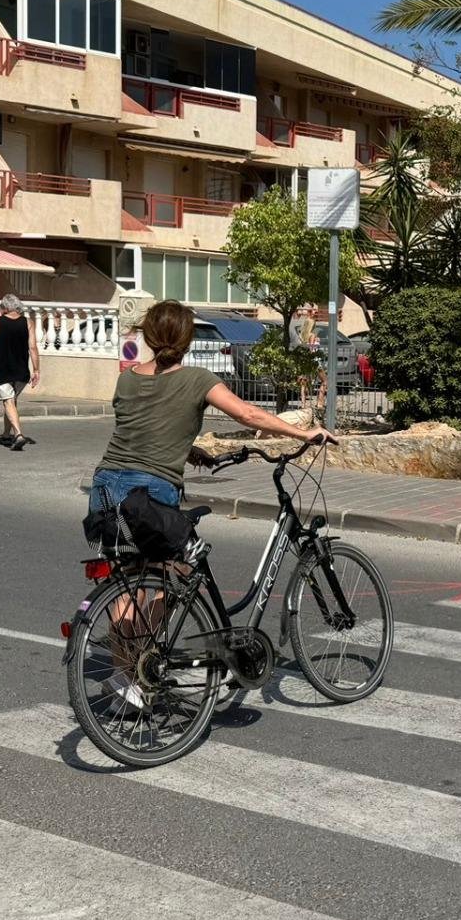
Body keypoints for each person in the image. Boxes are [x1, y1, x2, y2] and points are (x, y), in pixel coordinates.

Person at [90, 299, 331, 711]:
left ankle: (127, 681)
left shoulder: (126, 380)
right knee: (178, 573)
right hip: (150, 493)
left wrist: (188, 451)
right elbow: (248, 414)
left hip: (106, 489)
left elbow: (141, 431)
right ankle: (145, 663)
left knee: (126, 585)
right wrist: (303, 434)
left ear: (148, 337)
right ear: (187, 339)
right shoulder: (198, 378)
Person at [0, 293, 39, 451]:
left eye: (1, 307)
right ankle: (5, 434)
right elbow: (32, 347)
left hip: (2, 368)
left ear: (5, 308)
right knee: (11, 401)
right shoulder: (28, 322)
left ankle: (18, 435)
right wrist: (36, 370)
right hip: (21, 368)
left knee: (8, 401)